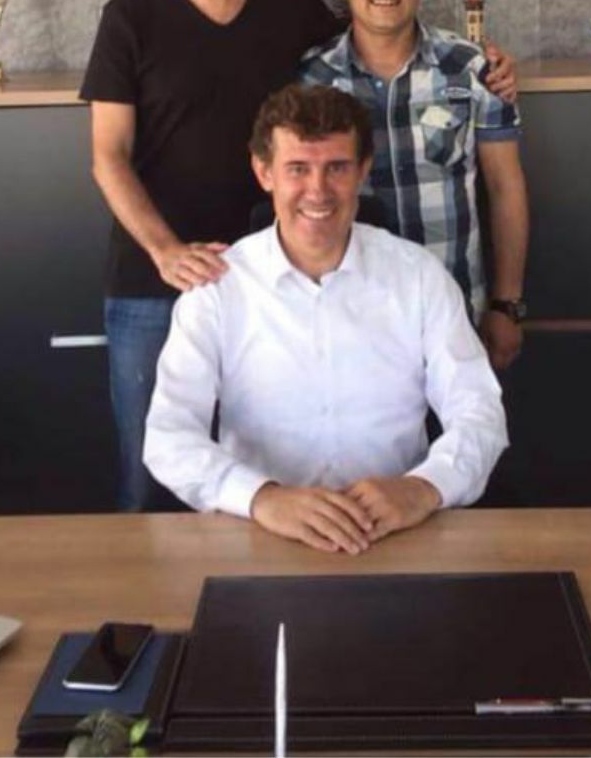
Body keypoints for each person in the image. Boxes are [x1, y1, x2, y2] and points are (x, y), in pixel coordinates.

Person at [79, 0, 340, 510]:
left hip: (271, 283)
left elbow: (372, 52)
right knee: (150, 484)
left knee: (269, 479)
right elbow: (108, 154)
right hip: (154, 287)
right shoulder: (131, 15)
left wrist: (480, 65)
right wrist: (166, 251)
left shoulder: (291, 1)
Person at [144, 84, 507, 554]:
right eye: (298, 168)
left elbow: (479, 411)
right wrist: (261, 498)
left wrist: (424, 487)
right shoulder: (216, 289)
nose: (317, 190)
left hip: (398, 532)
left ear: (363, 170)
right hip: (259, 536)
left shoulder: (419, 276)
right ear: (264, 172)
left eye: (336, 167)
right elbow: (168, 436)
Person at [300, 0, 528, 371]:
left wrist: (506, 304)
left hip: (453, 316)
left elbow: (505, 189)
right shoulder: (310, 80)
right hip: (346, 325)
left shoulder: (473, 70)